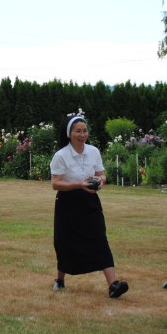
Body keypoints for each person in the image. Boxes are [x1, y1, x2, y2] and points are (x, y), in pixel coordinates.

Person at [49, 113, 129, 298]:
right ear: (69, 134)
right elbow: (55, 184)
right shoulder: (60, 156)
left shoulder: (93, 151)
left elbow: (101, 174)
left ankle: (113, 285)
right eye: (78, 131)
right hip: (68, 204)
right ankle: (60, 280)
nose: (82, 135)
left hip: (90, 201)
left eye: (85, 131)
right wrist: (79, 184)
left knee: (99, 238)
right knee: (65, 242)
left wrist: (100, 181)